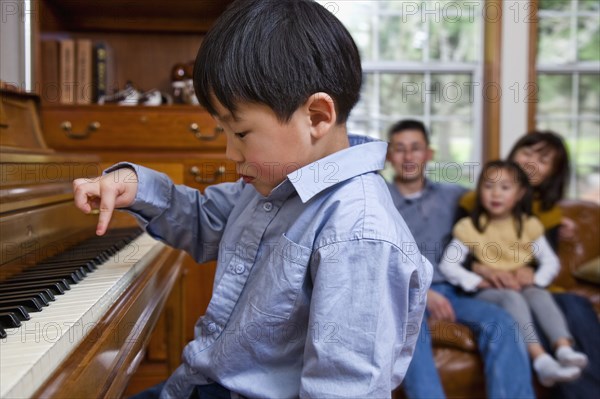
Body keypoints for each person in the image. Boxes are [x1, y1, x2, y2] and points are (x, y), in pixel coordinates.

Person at [72, 1, 432, 398]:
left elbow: (343, 388)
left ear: (316, 116)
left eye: (240, 134)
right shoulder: (268, 187)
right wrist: (137, 187)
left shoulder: (358, 233)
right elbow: (203, 221)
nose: (230, 153)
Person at [386, 120, 535, 398]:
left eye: (415, 148)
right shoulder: (379, 200)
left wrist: (555, 225)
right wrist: (423, 293)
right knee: (411, 329)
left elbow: (506, 199)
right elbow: (377, 259)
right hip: (405, 295)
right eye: (400, 149)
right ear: (389, 156)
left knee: (502, 322)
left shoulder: (454, 195)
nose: (408, 157)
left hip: (456, 290)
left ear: (428, 154)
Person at [461, 130, 600, 398]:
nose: (531, 162)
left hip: (533, 290)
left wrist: (530, 271)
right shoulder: (474, 202)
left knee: (576, 306)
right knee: (538, 310)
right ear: (513, 154)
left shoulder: (548, 214)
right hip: (493, 290)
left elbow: (542, 264)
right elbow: (460, 256)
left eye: (543, 160)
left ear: (553, 173)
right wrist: (481, 268)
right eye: (527, 152)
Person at [438, 160, 588, 387]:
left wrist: (535, 279)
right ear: (480, 191)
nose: (495, 194)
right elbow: (448, 265)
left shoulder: (528, 225)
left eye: (505, 188)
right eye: (489, 186)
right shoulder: (470, 227)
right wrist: (479, 281)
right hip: (490, 292)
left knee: (539, 295)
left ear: (519, 194)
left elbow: (549, 261)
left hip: (522, 286)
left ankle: (564, 349)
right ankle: (540, 358)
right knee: (512, 298)